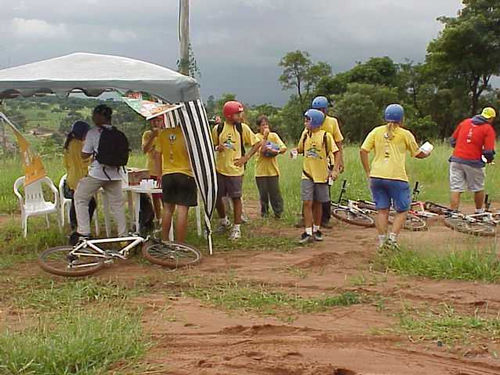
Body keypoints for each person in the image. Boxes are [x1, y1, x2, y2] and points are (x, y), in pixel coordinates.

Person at [360, 104, 430, 250]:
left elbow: (363, 150)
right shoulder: (405, 134)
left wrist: (368, 171)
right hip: (397, 176)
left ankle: (381, 241)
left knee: (382, 210)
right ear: (402, 119)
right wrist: (427, 152)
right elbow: (417, 154)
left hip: (377, 175)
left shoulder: (376, 131)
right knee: (402, 210)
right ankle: (392, 240)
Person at [73, 104, 128, 244]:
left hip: (98, 173)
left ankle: (84, 232)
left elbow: (84, 155)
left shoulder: (93, 132)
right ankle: (123, 237)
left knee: (80, 198)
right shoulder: (118, 133)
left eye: (94, 114)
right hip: (115, 174)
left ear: (100, 116)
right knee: (117, 205)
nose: (92, 117)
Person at [212, 101, 261, 240]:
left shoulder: (242, 128)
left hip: (235, 171)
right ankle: (223, 221)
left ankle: (237, 227)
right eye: (237, 113)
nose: (240, 115)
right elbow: (212, 144)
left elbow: (257, 143)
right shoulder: (218, 129)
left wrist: (246, 158)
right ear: (228, 115)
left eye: (240, 113)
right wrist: (217, 148)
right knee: (217, 197)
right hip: (220, 169)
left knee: (236, 198)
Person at [144, 115, 197, 243]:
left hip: (167, 175)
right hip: (186, 174)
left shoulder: (163, 134)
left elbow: (157, 155)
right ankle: (180, 244)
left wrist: (159, 174)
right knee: (182, 210)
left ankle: (165, 241)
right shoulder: (188, 134)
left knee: (167, 209)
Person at [295, 109, 339, 244]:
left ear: (315, 121)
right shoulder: (305, 135)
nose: (305, 123)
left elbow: (336, 152)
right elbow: (300, 149)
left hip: (321, 175)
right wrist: (294, 152)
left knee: (319, 202)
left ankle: (316, 229)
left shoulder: (326, 136)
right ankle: (308, 231)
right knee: (307, 202)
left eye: (308, 120)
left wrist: (335, 170)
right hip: (307, 173)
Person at [448, 107, 496, 212]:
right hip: (473, 162)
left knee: (456, 188)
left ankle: (453, 212)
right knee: (478, 187)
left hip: (456, 160)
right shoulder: (488, 129)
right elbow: (488, 151)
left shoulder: (465, 122)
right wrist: (489, 160)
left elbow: (452, 141)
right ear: (491, 118)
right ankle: (479, 211)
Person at [311, 96, 345, 228]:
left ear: (325, 110)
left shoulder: (332, 122)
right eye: (316, 109)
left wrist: (340, 161)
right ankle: (308, 217)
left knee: (325, 190)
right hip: (313, 160)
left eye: (321, 109)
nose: (319, 112)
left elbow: (338, 142)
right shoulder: (311, 120)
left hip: (328, 160)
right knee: (309, 188)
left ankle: (325, 218)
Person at [62, 121, 96, 231]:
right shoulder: (79, 145)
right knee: (89, 204)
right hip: (79, 179)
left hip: (71, 178)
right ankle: (81, 228)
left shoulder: (69, 144)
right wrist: (93, 158)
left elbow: (66, 164)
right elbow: (84, 162)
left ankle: (75, 227)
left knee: (76, 203)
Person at [254, 115, 287, 218]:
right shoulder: (256, 137)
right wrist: (265, 137)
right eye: (263, 125)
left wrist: (275, 150)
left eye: (266, 124)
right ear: (259, 127)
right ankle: (264, 213)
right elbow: (262, 150)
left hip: (273, 170)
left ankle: (278, 212)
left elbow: (283, 148)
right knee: (263, 194)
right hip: (260, 171)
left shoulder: (274, 136)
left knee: (275, 193)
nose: (265, 127)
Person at [141, 119, 163, 221]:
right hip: (151, 169)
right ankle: (158, 218)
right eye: (153, 121)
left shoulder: (165, 133)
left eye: (158, 121)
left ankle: (167, 219)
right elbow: (144, 150)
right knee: (155, 196)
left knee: (165, 196)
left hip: (164, 169)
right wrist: (153, 136)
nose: (155, 123)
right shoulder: (148, 134)